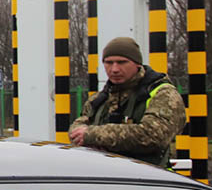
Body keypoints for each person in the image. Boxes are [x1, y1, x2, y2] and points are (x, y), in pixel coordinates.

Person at [68, 37, 186, 167]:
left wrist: (93, 135)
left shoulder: (162, 94)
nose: (114, 69)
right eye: (108, 62)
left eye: (122, 62)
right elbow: (76, 130)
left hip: (148, 180)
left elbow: (153, 135)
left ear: (137, 64)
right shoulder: (100, 99)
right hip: (105, 178)